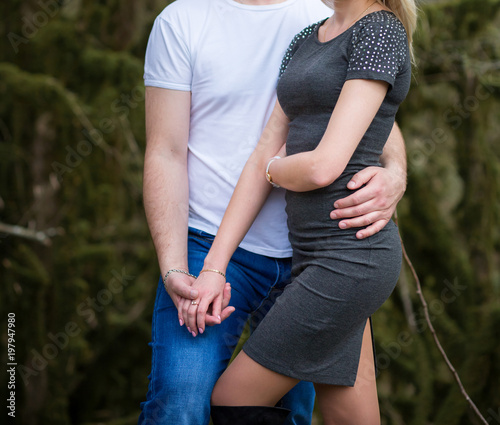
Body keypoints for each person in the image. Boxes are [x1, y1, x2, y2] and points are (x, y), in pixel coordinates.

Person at [138, 0, 408, 424]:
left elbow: (373, 125)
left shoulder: (351, 23)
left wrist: (396, 172)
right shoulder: (190, 20)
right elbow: (167, 153)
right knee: (180, 403)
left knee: (271, 409)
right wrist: (196, 267)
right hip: (216, 241)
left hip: (327, 256)